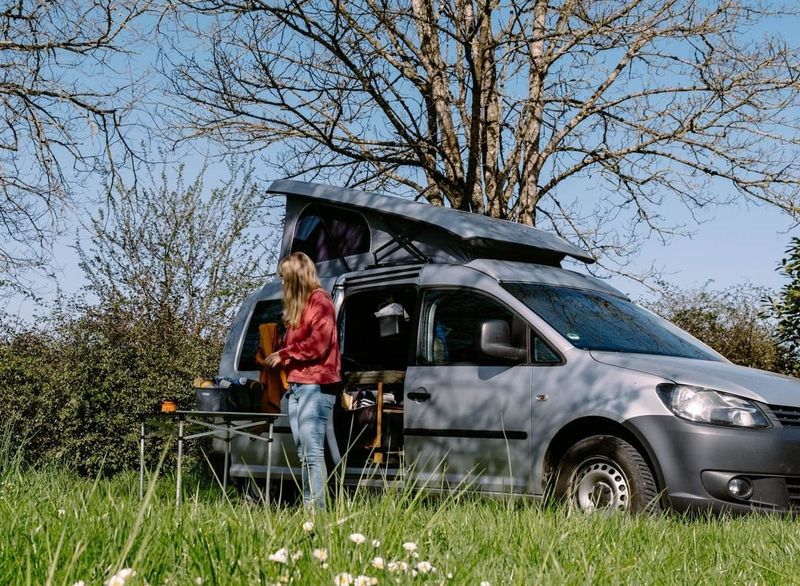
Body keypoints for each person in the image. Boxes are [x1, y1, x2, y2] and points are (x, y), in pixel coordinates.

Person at [264, 252, 341, 509]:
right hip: (297, 385)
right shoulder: (301, 307)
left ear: (298, 277)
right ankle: (312, 506)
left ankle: (315, 510)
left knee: (312, 452)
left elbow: (318, 345)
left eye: (286, 279)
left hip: (315, 385)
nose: (283, 284)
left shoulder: (321, 302)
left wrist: (284, 354)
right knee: (303, 453)